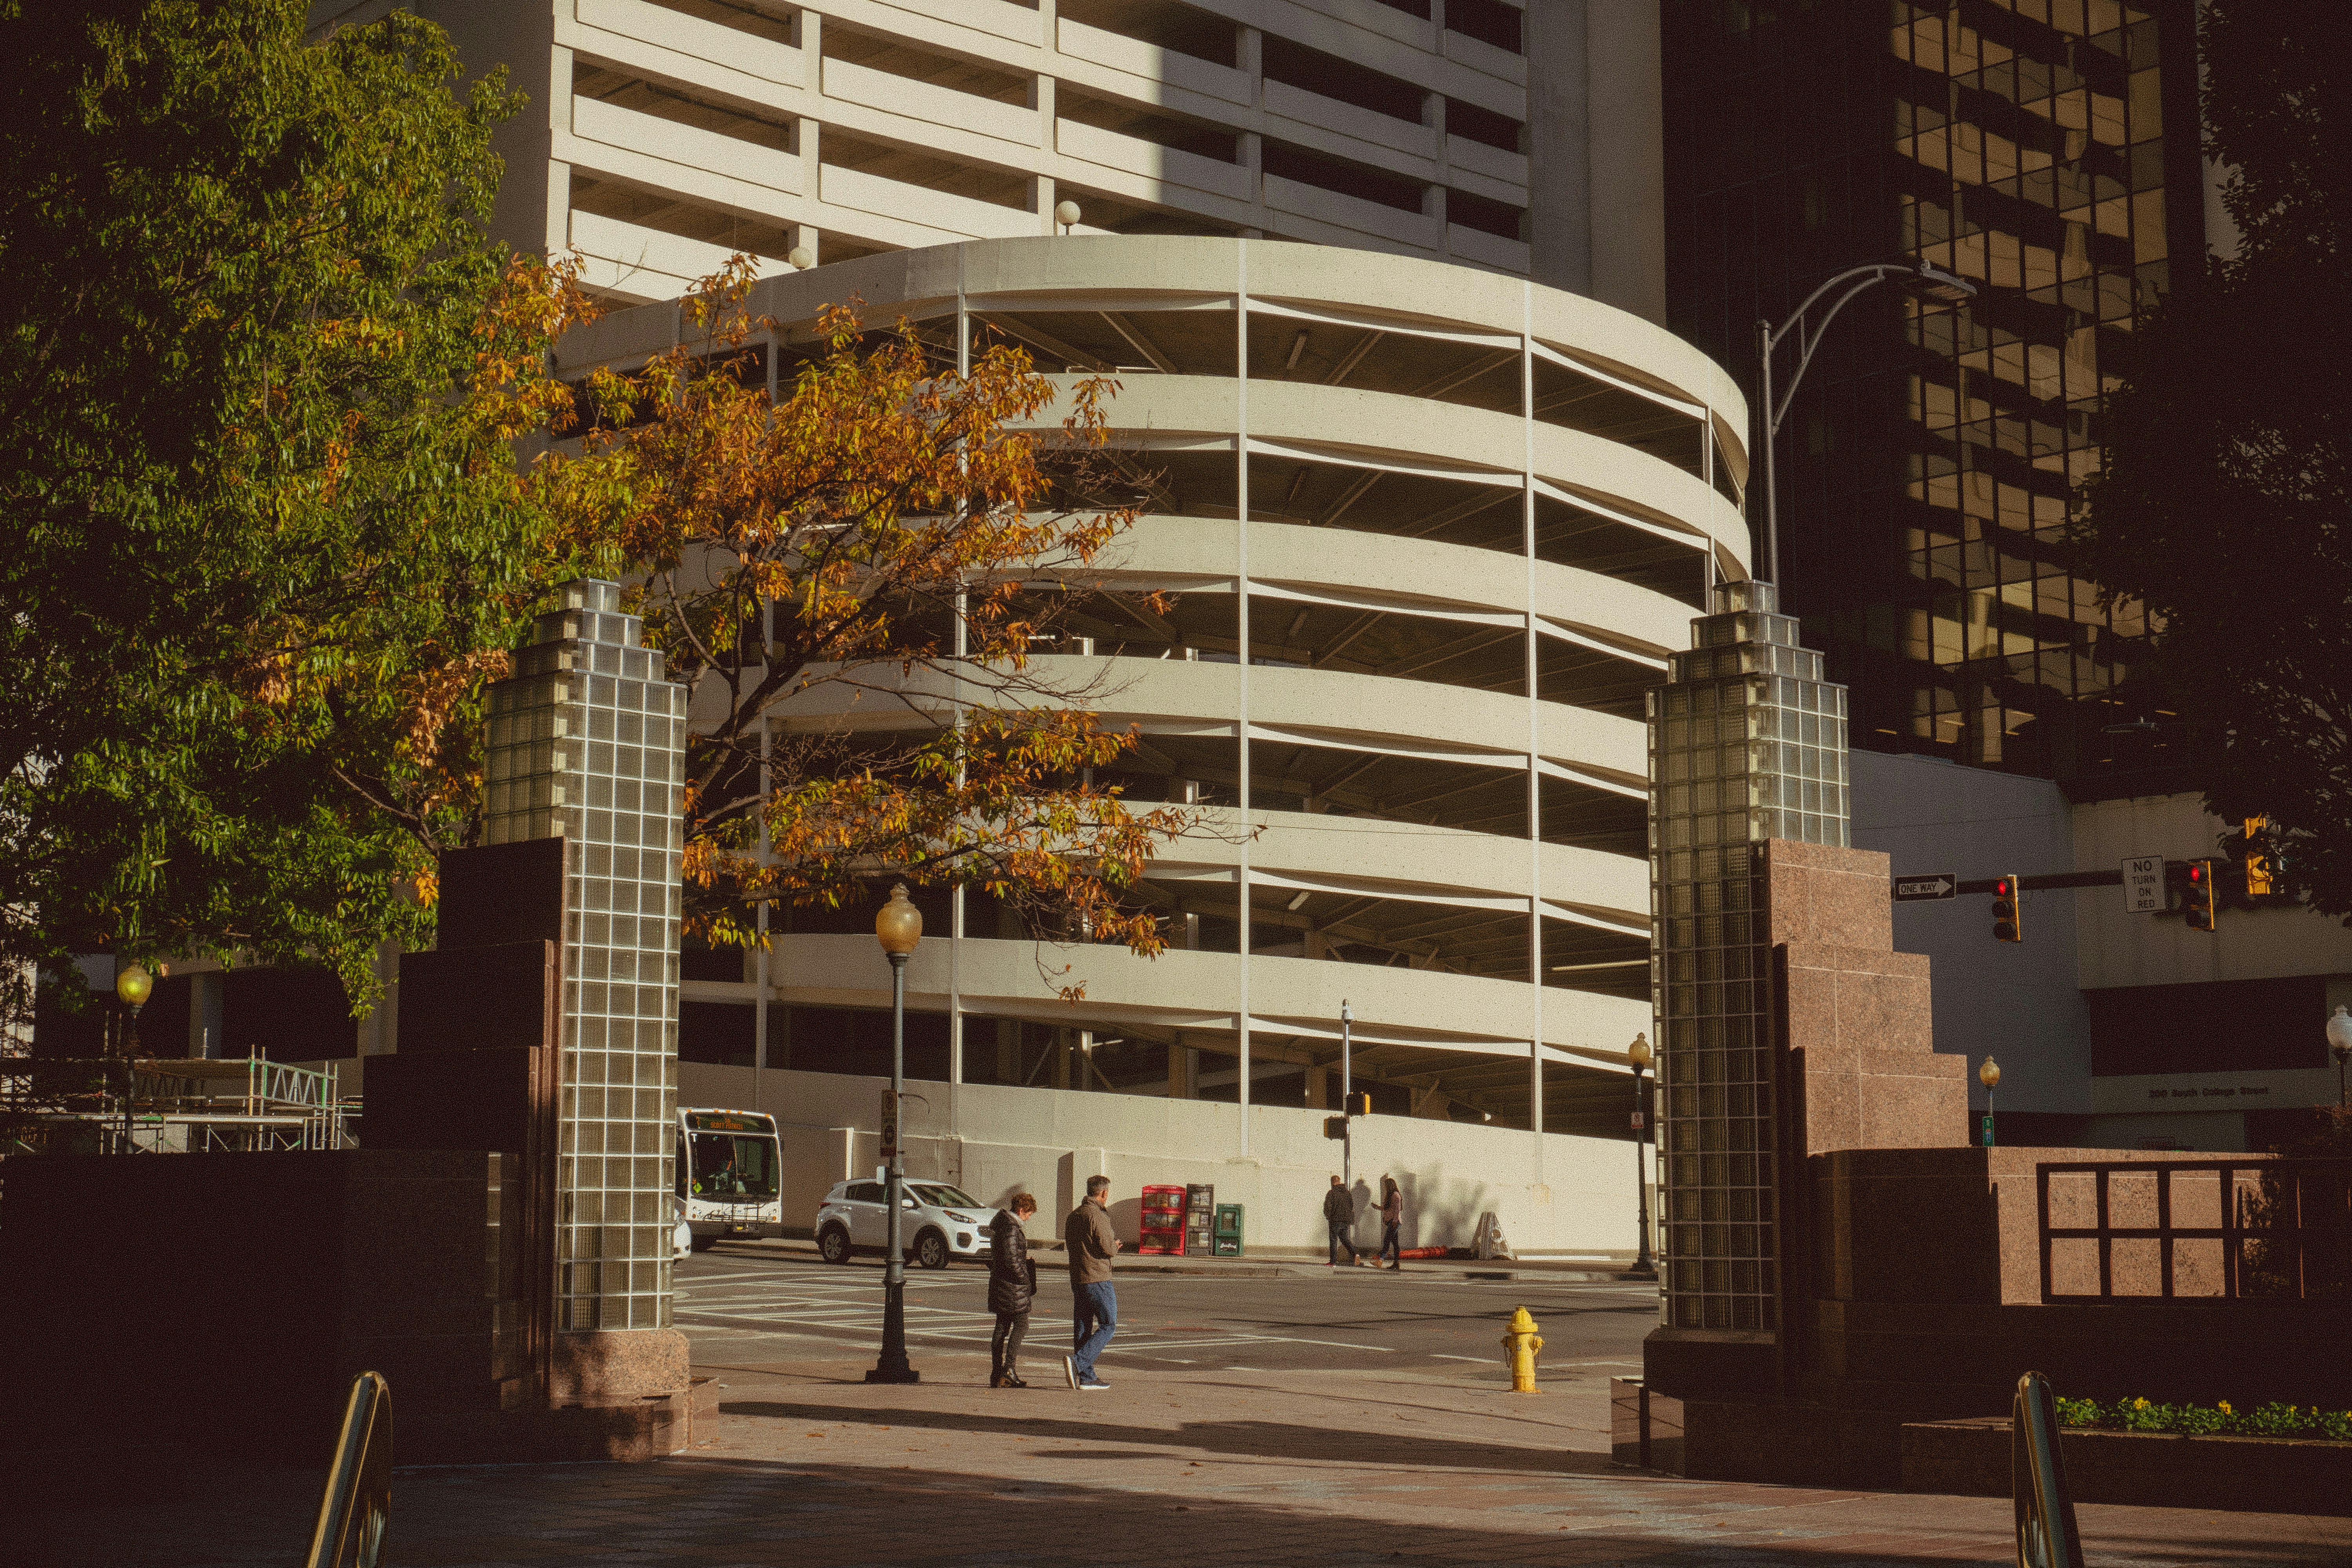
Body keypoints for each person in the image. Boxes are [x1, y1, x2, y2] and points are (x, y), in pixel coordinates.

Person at [1063, 1174, 1119, 1390]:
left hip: (1078, 1276)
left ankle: (1087, 1377)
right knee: (1108, 1324)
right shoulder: (1097, 1215)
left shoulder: (1075, 1215)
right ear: (1104, 1193)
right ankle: (1078, 1363)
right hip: (1097, 1277)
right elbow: (1107, 1248)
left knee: (1083, 1326)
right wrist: (1115, 1246)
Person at [988, 1192, 1039, 1388]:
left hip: (1002, 1284)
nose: (1028, 1218)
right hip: (1012, 1287)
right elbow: (1011, 1260)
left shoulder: (1003, 1225)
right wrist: (1025, 1279)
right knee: (1021, 1325)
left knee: (1002, 1327)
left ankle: (996, 1373)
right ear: (1020, 1211)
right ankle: (1008, 1369)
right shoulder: (1011, 1228)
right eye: (1028, 1214)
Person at [1323, 1174, 1367, 1267]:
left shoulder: (1332, 1193)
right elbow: (1351, 1205)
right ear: (1340, 1182)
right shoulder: (1347, 1193)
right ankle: (1355, 1254)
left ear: (1332, 1183)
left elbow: (1328, 1207)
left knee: (1334, 1240)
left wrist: (1329, 1217)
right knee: (1345, 1239)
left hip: (1335, 1220)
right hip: (1346, 1220)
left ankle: (1333, 1262)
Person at [1377, 1175, 1403, 1270]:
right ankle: (1396, 1263)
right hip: (1391, 1221)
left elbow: (1397, 1209)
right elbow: (1388, 1209)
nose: (1385, 1188)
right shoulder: (1391, 1195)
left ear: (1390, 1186)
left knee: (1387, 1240)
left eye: (1386, 1186)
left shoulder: (1396, 1195)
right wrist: (1378, 1207)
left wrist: (1395, 1221)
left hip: (1395, 1222)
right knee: (1395, 1243)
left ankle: (1381, 1260)